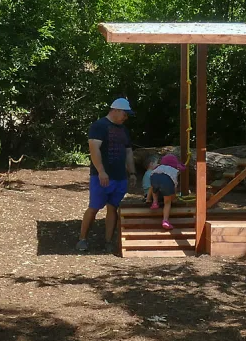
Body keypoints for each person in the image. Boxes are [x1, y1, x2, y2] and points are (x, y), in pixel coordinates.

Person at [77, 98, 136, 252]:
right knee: (94, 207)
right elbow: (94, 150)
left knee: (113, 208)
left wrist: (132, 172)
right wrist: (101, 171)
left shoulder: (124, 130)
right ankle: (82, 239)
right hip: (101, 177)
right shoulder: (99, 126)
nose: (126, 117)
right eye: (125, 113)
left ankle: (108, 241)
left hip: (120, 177)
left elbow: (129, 152)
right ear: (115, 110)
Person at [145, 153, 184, 229]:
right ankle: (165, 220)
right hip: (167, 181)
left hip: (154, 177)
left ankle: (155, 202)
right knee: (167, 202)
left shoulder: (158, 168)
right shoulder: (174, 171)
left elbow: (151, 186)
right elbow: (173, 186)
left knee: (154, 187)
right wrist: (174, 198)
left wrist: (148, 199)